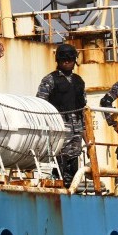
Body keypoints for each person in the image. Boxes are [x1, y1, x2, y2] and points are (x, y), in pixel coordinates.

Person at [37, 44, 87, 188]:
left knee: (73, 162)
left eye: (70, 59)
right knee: (60, 161)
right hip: (59, 127)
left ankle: (72, 189)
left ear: (74, 60)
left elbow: (83, 111)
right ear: (58, 60)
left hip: (76, 127)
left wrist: (88, 139)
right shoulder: (50, 80)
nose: (66, 62)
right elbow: (40, 104)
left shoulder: (79, 81)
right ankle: (61, 189)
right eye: (63, 59)